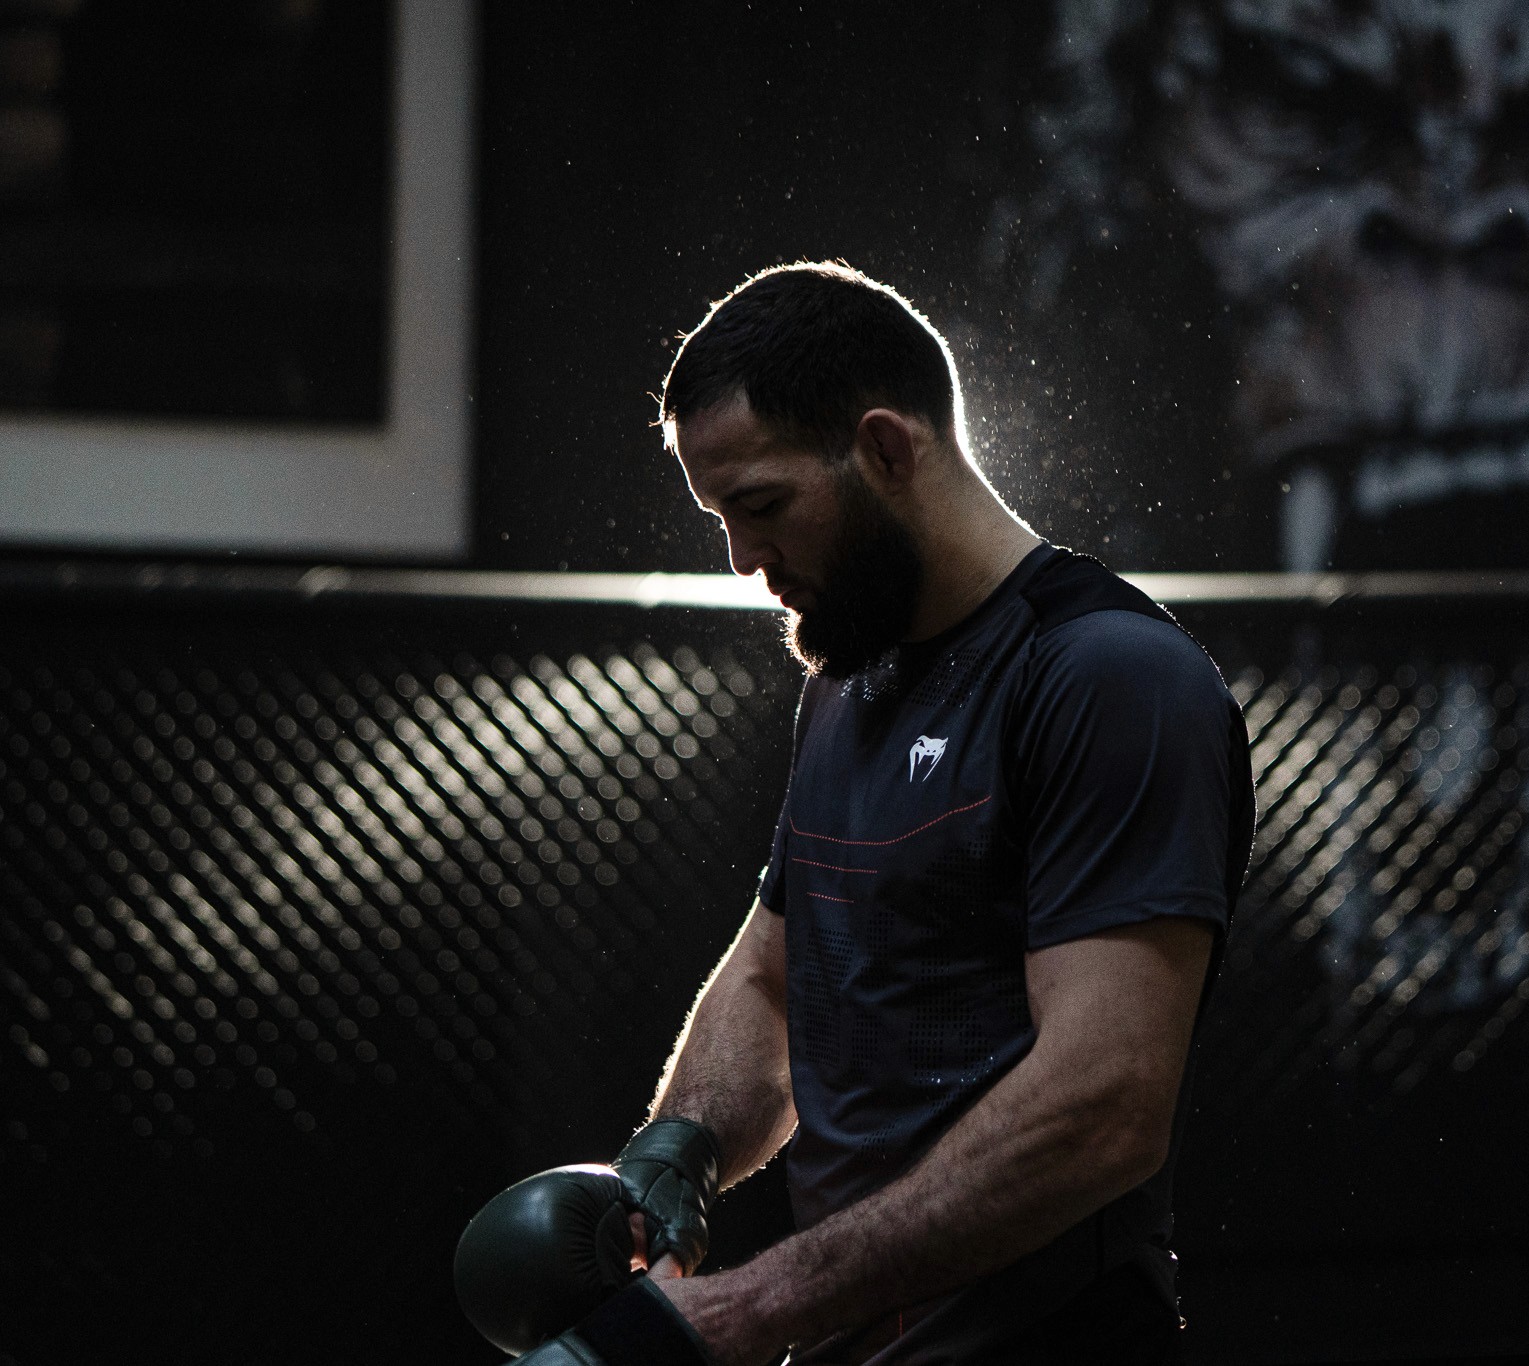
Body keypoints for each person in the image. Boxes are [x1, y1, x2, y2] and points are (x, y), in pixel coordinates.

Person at [454, 262, 1255, 1365]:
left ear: (885, 449)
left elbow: (1104, 1105)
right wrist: (675, 1153)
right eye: (718, 517)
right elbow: (777, 976)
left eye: (762, 506)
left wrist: (744, 1311)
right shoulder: (847, 675)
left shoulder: (1107, 678)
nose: (742, 561)